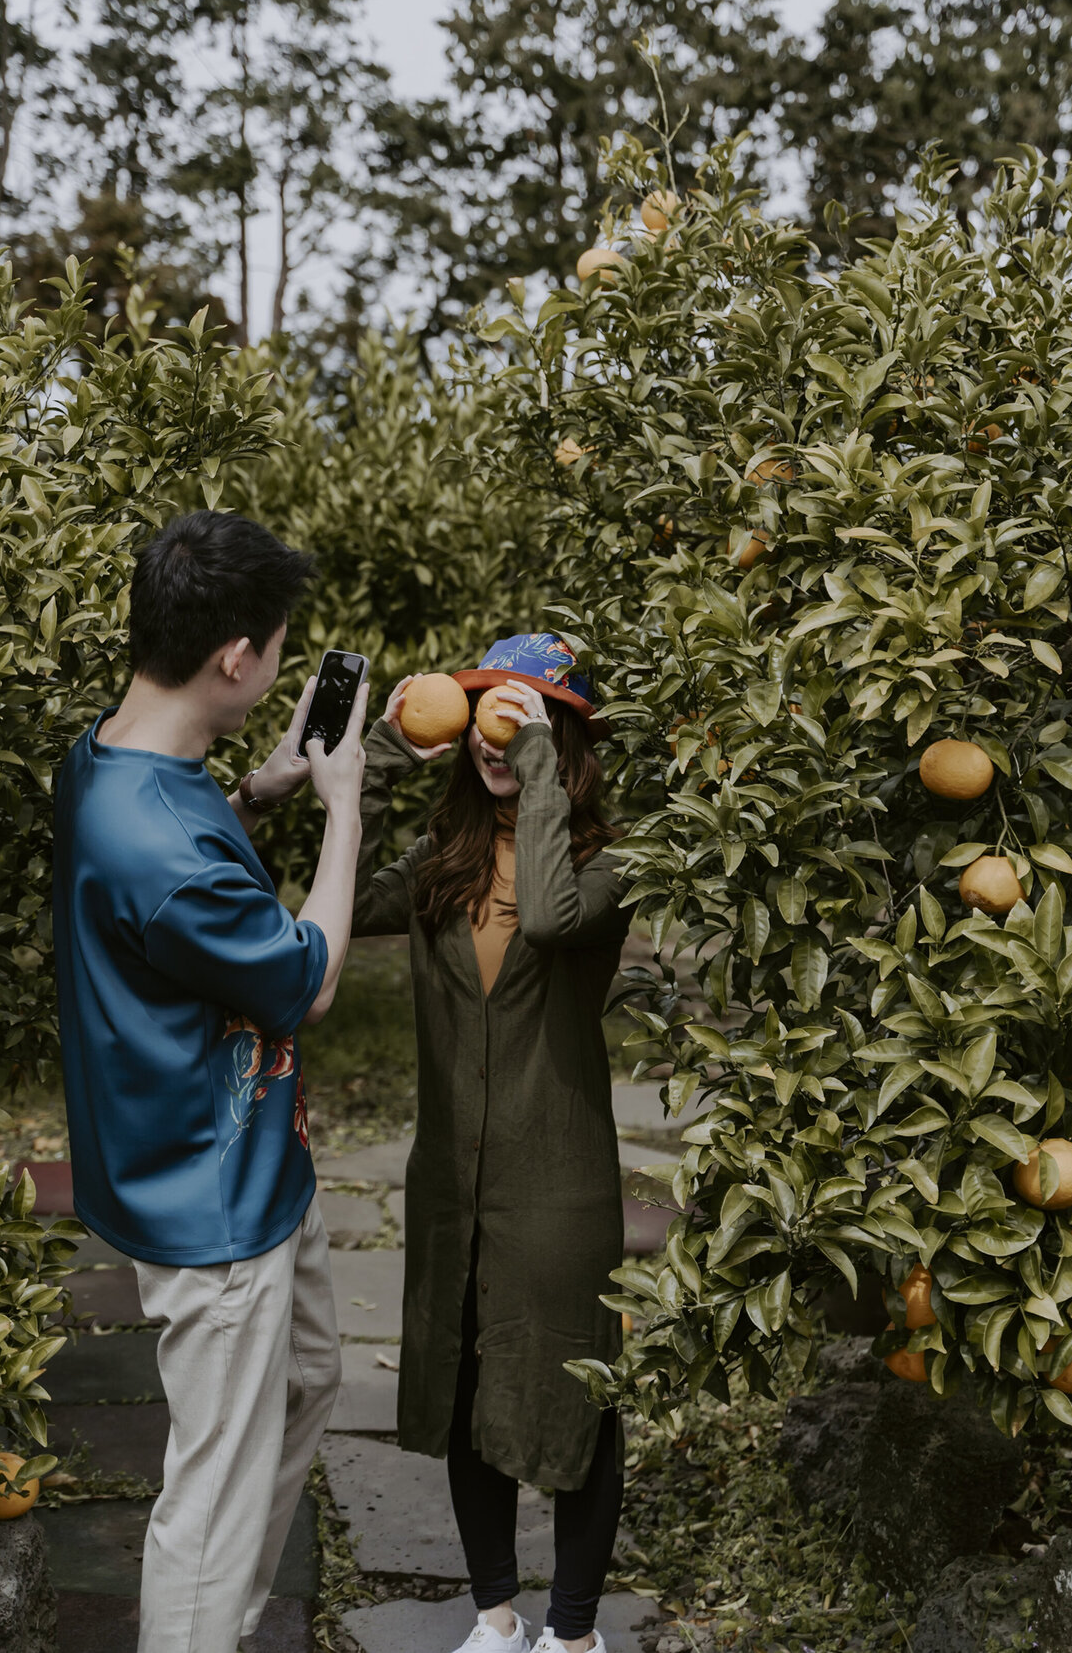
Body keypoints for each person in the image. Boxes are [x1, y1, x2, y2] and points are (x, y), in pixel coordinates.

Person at [53, 509, 366, 1653]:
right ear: (236, 656)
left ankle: (215, 1615)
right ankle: (196, 1627)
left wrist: (266, 792)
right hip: (210, 1200)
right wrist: (343, 808)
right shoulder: (161, 849)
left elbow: (172, 905)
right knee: (212, 1488)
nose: (280, 660)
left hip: (245, 1155)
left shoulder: (120, 756)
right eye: (278, 643)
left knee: (307, 1378)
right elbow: (309, 978)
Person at [352, 632, 631, 1653]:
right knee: (469, 1384)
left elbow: (553, 917)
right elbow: (323, 905)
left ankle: (572, 1631)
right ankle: (496, 1613)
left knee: (574, 1393)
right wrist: (378, 759)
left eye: (529, 708)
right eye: (488, 705)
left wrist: (543, 762)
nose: (496, 727)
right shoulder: (441, 862)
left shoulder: (611, 862)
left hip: (556, 1183)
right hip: (450, 1180)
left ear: (568, 733)